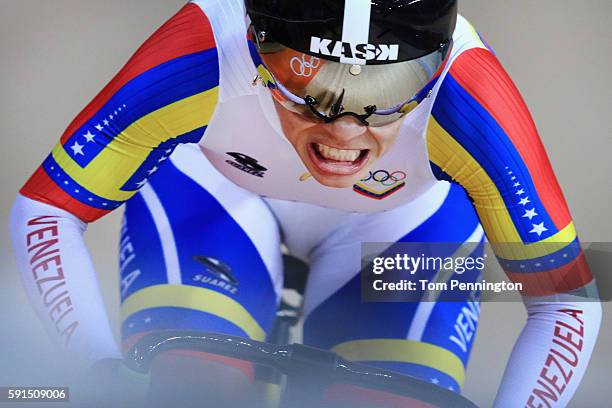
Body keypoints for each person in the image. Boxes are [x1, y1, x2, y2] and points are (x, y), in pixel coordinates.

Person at [9, 0, 601, 407]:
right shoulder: (204, 51)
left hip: (403, 225)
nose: (345, 129)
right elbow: (47, 209)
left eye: (389, 90)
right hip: (217, 189)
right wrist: (95, 370)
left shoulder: (468, 96)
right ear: (253, 42)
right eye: (308, 83)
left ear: (439, 62)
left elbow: (567, 302)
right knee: (189, 391)